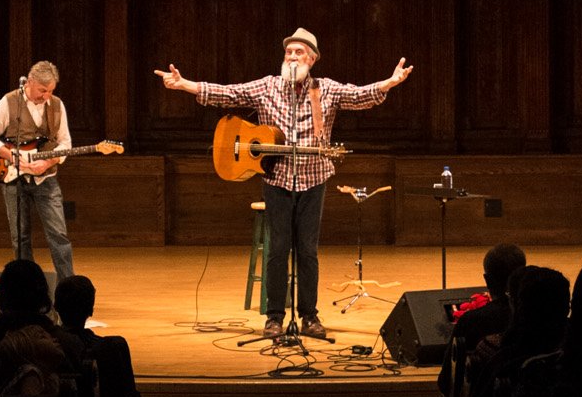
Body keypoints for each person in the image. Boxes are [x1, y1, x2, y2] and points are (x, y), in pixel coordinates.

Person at [156, 27, 411, 343]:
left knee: (307, 251)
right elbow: (227, 93)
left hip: (313, 180)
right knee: (278, 249)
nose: (292, 57)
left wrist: (389, 82)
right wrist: (184, 85)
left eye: (299, 52)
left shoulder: (326, 90)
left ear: (312, 59)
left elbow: (359, 96)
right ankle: (274, 318)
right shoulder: (267, 87)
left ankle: (309, 316)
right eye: (288, 52)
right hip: (276, 180)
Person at [0, 59, 75, 293]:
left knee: (59, 236)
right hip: (15, 180)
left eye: (51, 90)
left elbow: (66, 143)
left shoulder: (57, 105)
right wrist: (9, 155)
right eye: (43, 90)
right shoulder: (9, 101)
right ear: (29, 82)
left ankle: (68, 291)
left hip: (46, 179)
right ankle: (27, 293)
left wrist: (48, 162)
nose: (47, 96)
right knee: (20, 239)